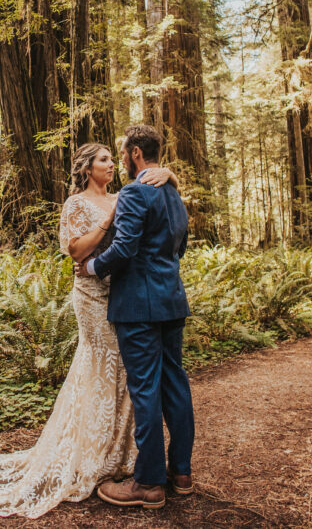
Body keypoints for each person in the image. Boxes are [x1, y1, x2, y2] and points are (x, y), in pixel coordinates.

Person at [0, 143, 177, 518]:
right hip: (92, 295)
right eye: (103, 160)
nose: (112, 164)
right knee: (100, 363)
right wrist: (108, 219)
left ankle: (125, 455)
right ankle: (90, 454)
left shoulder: (124, 195)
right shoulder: (75, 204)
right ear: (87, 167)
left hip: (124, 294)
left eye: (114, 159)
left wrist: (171, 175)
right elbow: (77, 252)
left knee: (128, 371)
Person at [78, 124, 195, 510]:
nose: (122, 160)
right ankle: (181, 473)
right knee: (175, 385)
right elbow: (181, 244)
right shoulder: (174, 194)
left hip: (138, 307)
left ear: (135, 155)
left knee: (145, 390)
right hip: (172, 301)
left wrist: (93, 267)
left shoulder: (132, 192)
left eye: (123, 153)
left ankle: (147, 483)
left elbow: (125, 247)